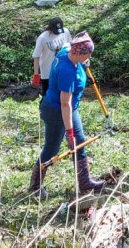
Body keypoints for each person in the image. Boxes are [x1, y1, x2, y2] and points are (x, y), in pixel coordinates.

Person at [27, 31, 107, 196]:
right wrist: (69, 133)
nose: (90, 57)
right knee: (52, 148)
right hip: (56, 110)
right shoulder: (67, 71)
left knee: (80, 142)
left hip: (70, 107)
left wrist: (83, 64)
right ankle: (35, 186)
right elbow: (65, 104)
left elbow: (67, 45)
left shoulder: (67, 50)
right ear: (80, 52)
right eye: (88, 54)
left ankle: (85, 183)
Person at [30, 17, 71, 93]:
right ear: (50, 28)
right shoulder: (42, 38)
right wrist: (36, 74)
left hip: (62, 69)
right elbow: (36, 56)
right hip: (47, 72)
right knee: (47, 96)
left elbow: (70, 47)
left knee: (62, 94)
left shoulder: (65, 32)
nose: (58, 33)